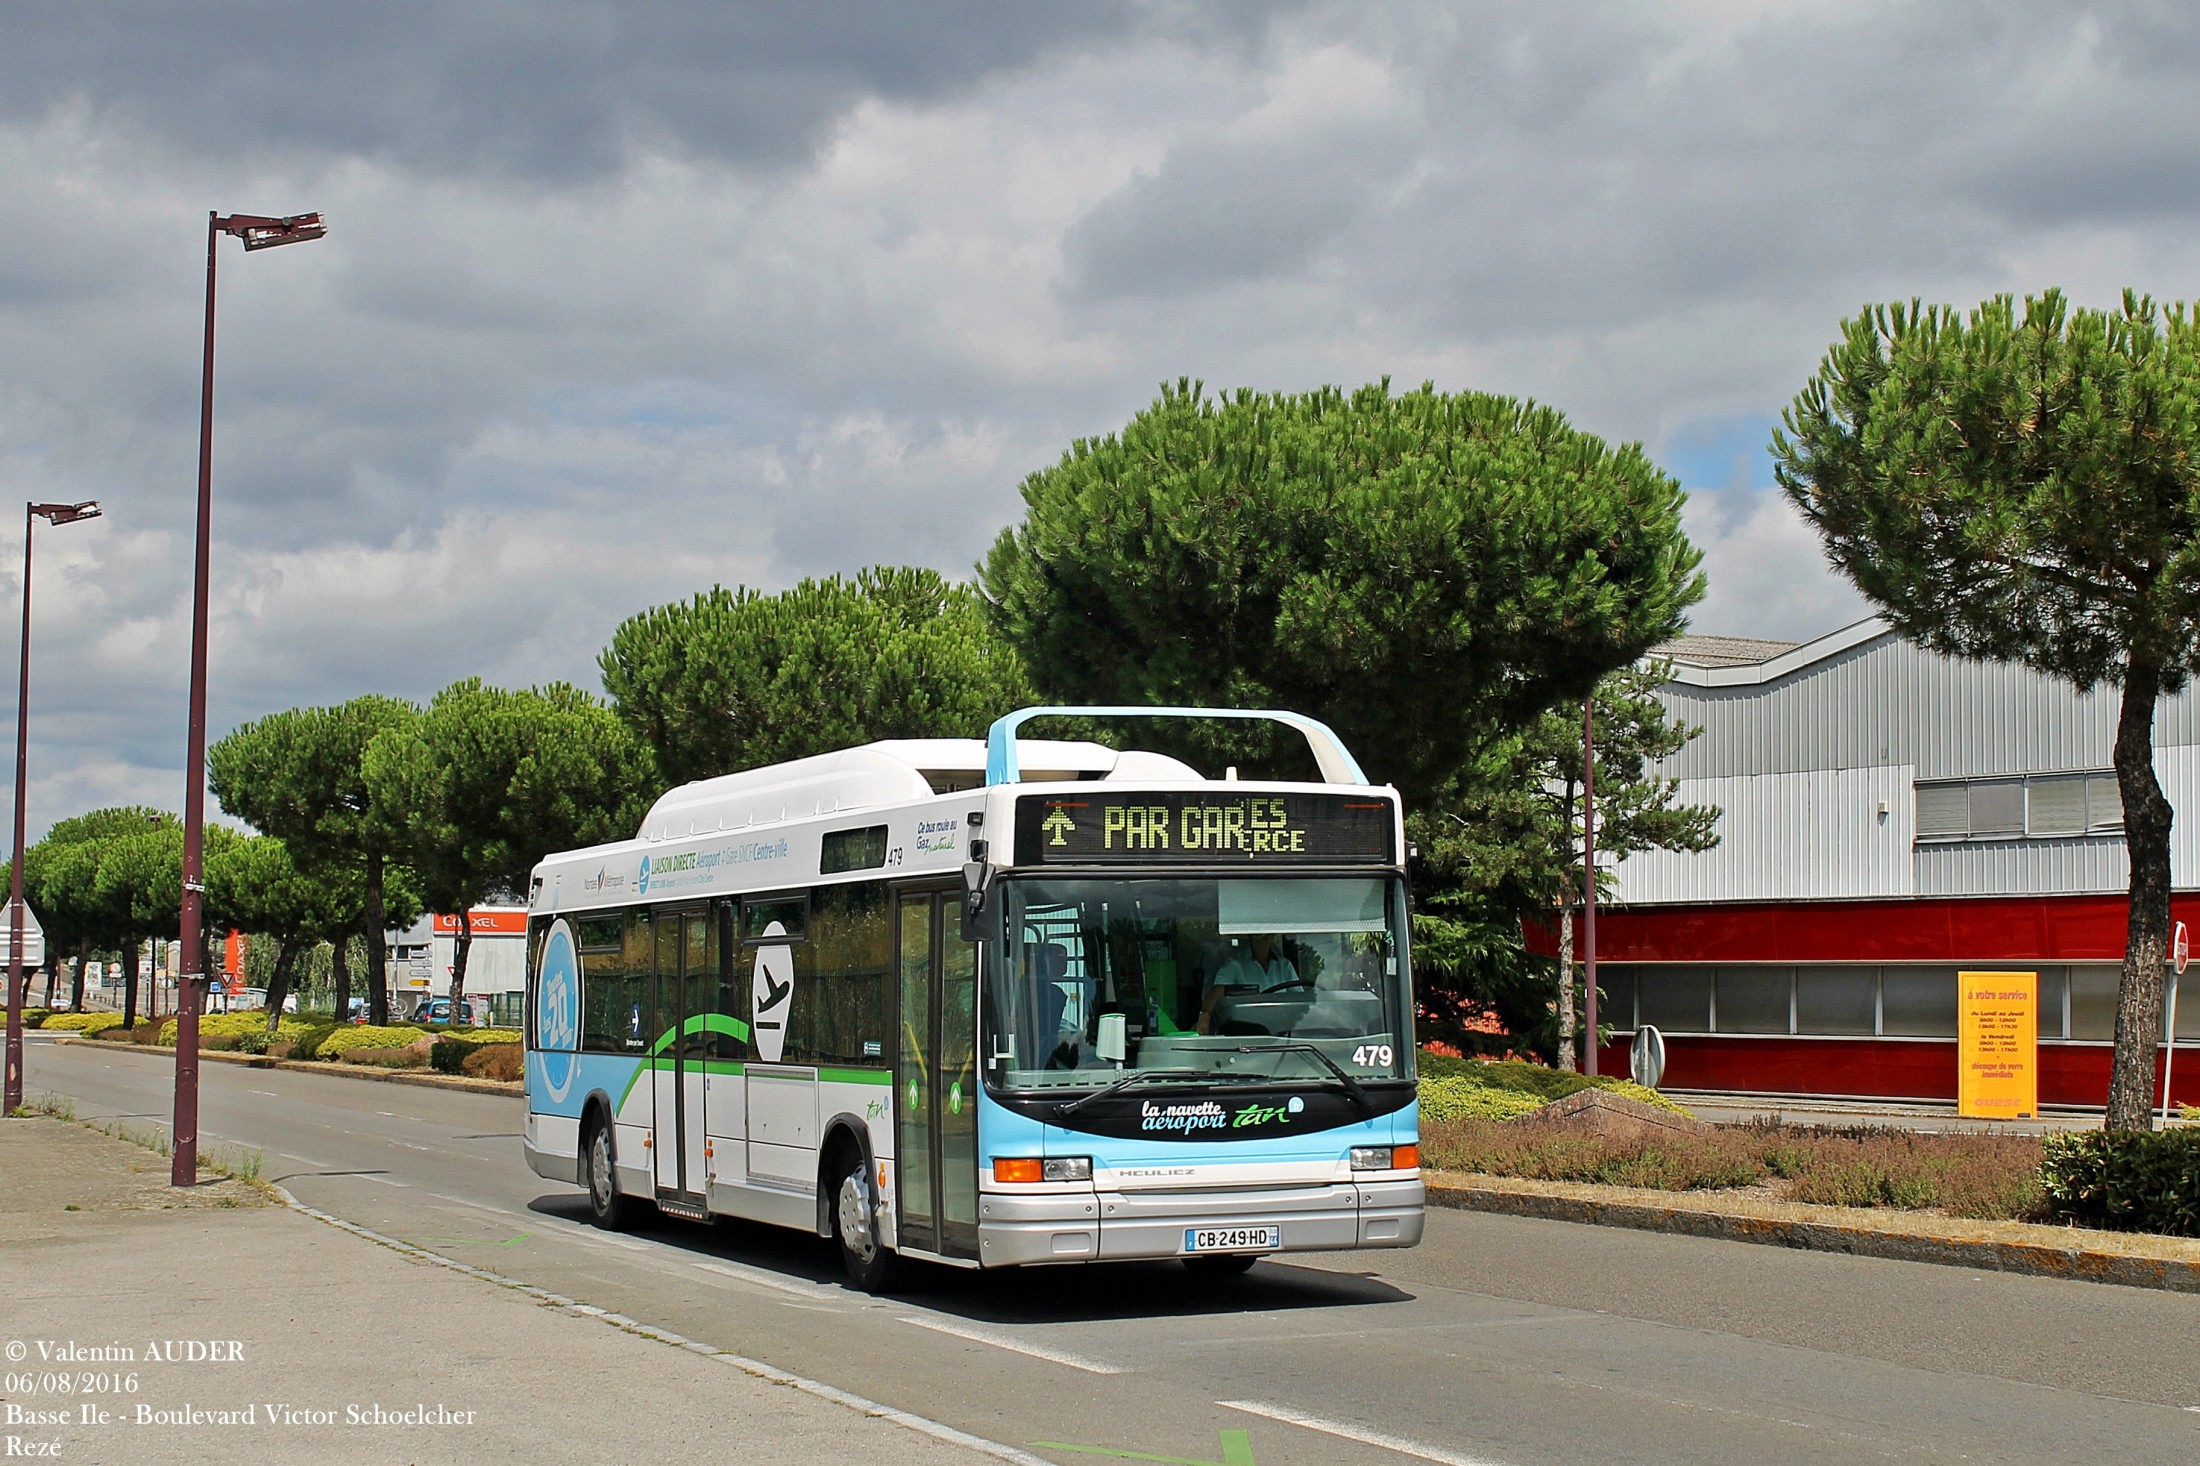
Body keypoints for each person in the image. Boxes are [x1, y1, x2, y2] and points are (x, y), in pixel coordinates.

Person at [1197, 934, 1295, 1033]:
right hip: (1246, 1034)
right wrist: (1205, 1015)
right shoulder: (1234, 965)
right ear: (1250, 934)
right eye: (1258, 933)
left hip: (1283, 1034)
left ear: (1273, 935)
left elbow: (1298, 998)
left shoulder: (1285, 966)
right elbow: (1217, 992)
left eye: (1266, 932)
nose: (1262, 935)